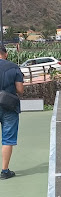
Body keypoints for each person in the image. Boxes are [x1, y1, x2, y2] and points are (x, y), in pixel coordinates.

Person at [0, 44, 24, 180]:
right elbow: (20, 90)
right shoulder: (13, 67)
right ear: (5, 54)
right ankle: (4, 171)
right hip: (9, 106)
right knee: (7, 139)